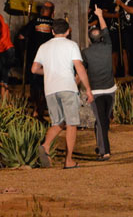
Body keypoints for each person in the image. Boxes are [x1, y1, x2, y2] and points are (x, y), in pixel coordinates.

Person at [31, 18, 94, 169]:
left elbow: (34, 69)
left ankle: (46, 146)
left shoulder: (44, 47)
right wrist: (88, 89)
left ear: (52, 31)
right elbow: (79, 67)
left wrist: (50, 71)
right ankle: (69, 160)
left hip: (50, 89)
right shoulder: (71, 45)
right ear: (68, 31)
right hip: (67, 86)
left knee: (58, 122)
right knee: (72, 123)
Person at [81, 5, 115, 161]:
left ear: (90, 39)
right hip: (110, 90)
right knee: (104, 120)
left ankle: (105, 151)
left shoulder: (86, 53)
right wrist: (100, 15)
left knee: (101, 122)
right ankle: (101, 145)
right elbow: (105, 29)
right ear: (101, 37)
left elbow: (82, 72)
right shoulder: (108, 46)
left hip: (96, 91)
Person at [18, 1, 55, 119]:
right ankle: (41, 110)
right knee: (46, 86)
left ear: (41, 11)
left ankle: (35, 110)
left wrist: (24, 49)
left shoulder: (33, 22)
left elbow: (21, 36)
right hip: (50, 59)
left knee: (34, 85)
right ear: (52, 13)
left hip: (34, 59)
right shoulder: (54, 24)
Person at [103, 0, 133, 77]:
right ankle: (114, 74)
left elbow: (132, 11)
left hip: (126, 28)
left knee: (126, 50)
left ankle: (127, 73)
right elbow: (104, 13)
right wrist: (113, 15)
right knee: (114, 51)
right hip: (113, 28)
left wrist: (121, 4)